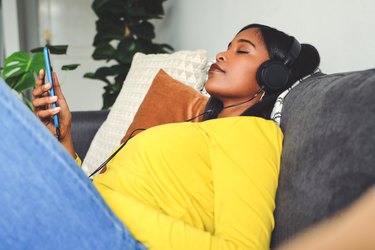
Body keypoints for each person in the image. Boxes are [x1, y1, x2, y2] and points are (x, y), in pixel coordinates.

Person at [0, 24, 319, 249]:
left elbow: (242, 246)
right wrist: (64, 135)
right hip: (87, 215)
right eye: (227, 46)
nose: (222, 54)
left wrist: (100, 203)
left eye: (241, 51)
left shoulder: (253, 134)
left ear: (270, 75)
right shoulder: (200, 129)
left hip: (110, 231)